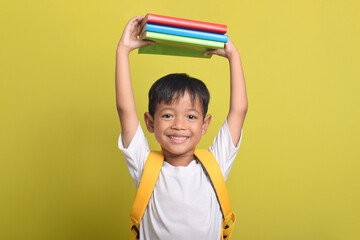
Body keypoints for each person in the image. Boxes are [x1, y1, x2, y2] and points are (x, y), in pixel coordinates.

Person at [115, 16, 248, 240]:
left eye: (190, 116)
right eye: (167, 115)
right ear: (150, 122)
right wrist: (123, 50)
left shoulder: (216, 164)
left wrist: (234, 56)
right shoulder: (144, 166)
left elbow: (239, 110)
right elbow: (125, 109)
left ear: (204, 124)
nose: (179, 125)